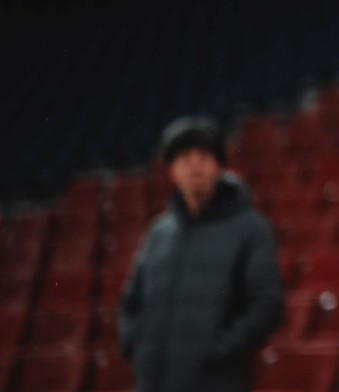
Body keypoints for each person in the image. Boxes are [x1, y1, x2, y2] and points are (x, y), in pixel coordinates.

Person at [119, 116, 284, 392]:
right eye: (185, 156)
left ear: (218, 165)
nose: (195, 164)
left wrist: (216, 352)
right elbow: (130, 302)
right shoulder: (159, 232)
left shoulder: (251, 228)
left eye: (204, 155)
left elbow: (268, 307)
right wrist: (136, 345)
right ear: (172, 169)